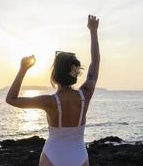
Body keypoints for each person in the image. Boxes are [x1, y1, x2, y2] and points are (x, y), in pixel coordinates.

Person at [6, 15, 100, 166]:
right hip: (79, 156)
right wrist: (93, 31)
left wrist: (23, 69)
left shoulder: (48, 101)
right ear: (75, 74)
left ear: (55, 76)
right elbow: (95, 62)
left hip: (52, 155)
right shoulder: (86, 94)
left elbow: (11, 99)